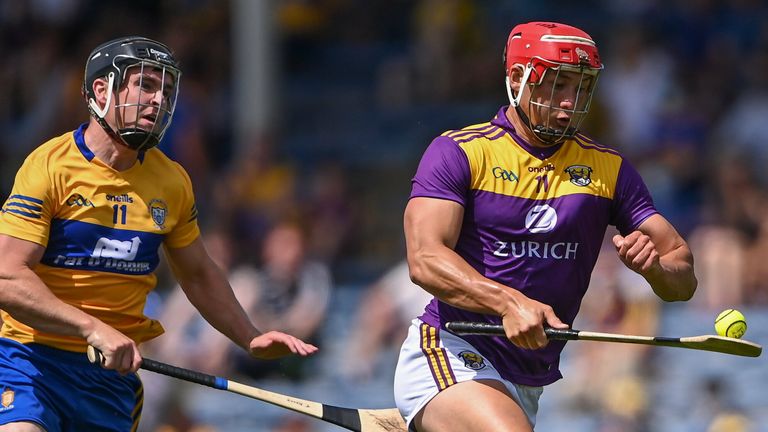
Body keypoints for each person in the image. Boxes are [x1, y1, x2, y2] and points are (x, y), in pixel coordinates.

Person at [0, 36, 318, 432]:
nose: (158, 100)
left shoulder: (172, 182)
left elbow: (199, 274)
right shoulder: (47, 167)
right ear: (102, 90)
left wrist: (248, 336)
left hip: (109, 378)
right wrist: (92, 328)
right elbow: (8, 277)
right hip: (30, 361)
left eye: (166, 91)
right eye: (146, 86)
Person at [393, 21, 697, 432]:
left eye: (582, 88)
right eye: (558, 85)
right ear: (518, 79)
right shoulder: (458, 152)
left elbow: (683, 277)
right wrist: (507, 303)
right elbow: (425, 259)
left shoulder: (610, 170)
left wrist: (656, 271)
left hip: (524, 382)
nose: (570, 102)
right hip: (448, 350)